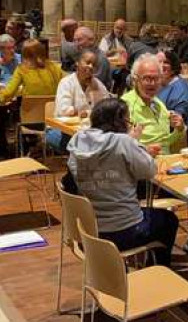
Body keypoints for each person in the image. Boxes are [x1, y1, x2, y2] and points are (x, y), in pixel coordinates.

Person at [66, 98, 178, 266]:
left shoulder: (77, 140)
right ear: (119, 121)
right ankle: (157, 270)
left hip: (89, 228)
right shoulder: (123, 142)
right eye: (127, 120)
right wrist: (134, 142)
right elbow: (150, 171)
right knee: (169, 220)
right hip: (124, 230)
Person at [120, 54, 185, 156]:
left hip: (165, 161)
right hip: (141, 163)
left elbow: (165, 142)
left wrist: (180, 129)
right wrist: (144, 150)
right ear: (136, 80)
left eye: (156, 78)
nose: (152, 83)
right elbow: (121, 145)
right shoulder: (125, 105)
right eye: (147, 78)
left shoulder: (158, 104)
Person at [49, 49, 111, 153]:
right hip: (62, 131)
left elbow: (107, 109)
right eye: (87, 62)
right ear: (77, 63)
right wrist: (87, 112)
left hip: (88, 132)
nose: (90, 67)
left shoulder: (98, 85)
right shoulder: (66, 83)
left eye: (94, 65)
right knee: (85, 146)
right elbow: (64, 111)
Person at [156, 49, 188, 148]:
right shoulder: (159, 84)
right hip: (165, 133)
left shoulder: (181, 89)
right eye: (157, 62)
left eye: (166, 62)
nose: (160, 65)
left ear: (173, 67)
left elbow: (177, 120)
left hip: (186, 138)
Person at [0, 40, 63, 105]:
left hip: (29, 114)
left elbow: (9, 93)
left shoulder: (21, 69)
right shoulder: (54, 67)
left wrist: (0, 100)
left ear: (24, 53)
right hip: (52, 111)